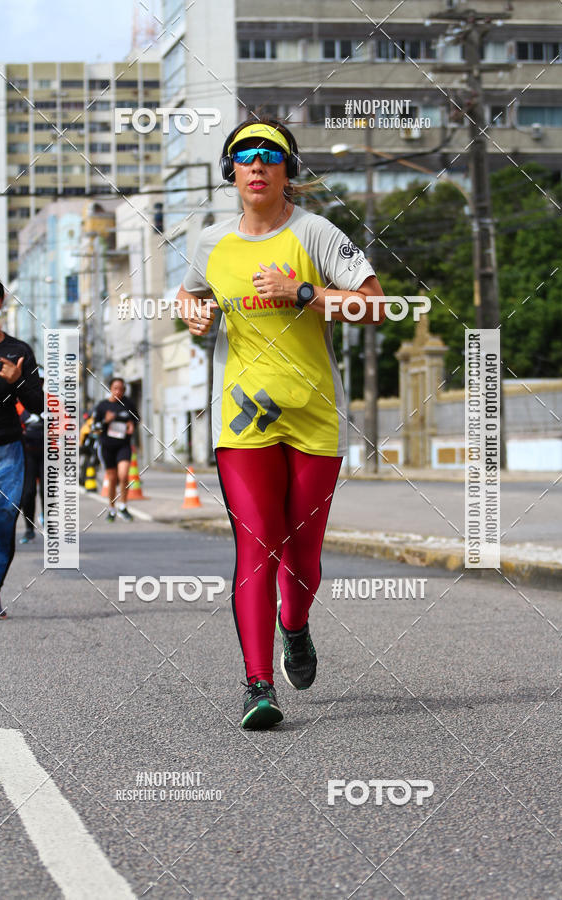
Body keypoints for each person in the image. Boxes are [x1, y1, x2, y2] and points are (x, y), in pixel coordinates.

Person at [179, 117, 385, 729]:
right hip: (242, 422)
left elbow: (376, 305)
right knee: (257, 545)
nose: (258, 164)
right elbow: (190, 294)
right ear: (232, 171)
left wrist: (305, 293)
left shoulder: (315, 233)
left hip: (315, 416)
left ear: (287, 169)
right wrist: (194, 314)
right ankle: (257, 685)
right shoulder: (211, 242)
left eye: (271, 154)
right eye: (245, 155)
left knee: (303, 557)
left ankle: (295, 626)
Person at [0, 271, 43, 619]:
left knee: (3, 523)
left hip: (10, 451)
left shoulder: (18, 351)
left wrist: (18, 382)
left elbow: (38, 405)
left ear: (1, 301)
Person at [93, 377, 139, 522]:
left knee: (124, 476)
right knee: (112, 478)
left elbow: (136, 420)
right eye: (115, 388)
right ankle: (112, 509)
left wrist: (132, 425)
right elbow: (95, 428)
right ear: (110, 389)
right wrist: (105, 421)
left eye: (121, 389)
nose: (118, 391)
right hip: (107, 446)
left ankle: (123, 507)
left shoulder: (128, 404)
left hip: (123, 445)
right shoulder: (102, 406)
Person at [18, 368, 45, 543]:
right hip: (26, 454)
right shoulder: (18, 404)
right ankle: (29, 529)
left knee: (47, 491)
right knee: (27, 493)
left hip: (48, 455)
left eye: (40, 382)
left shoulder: (53, 402)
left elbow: (66, 424)